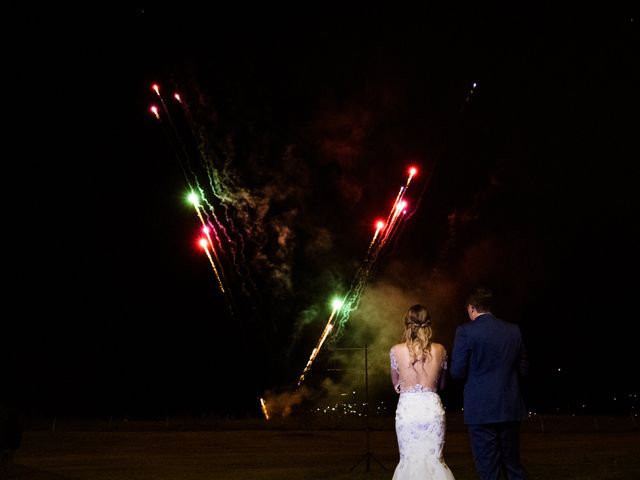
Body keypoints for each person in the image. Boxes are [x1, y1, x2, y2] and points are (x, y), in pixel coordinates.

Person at [450, 287, 529, 480]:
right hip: (509, 406)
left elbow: (457, 372)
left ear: (471, 308)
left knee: (487, 468)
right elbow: (524, 368)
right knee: (513, 464)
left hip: (481, 408)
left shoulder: (465, 331)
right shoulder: (513, 330)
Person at [389, 304, 455, 480]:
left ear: (407, 324)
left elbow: (396, 385)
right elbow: (442, 385)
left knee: (408, 460)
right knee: (434, 460)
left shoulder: (396, 350)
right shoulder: (440, 350)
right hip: (431, 408)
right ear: (429, 324)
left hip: (408, 410)